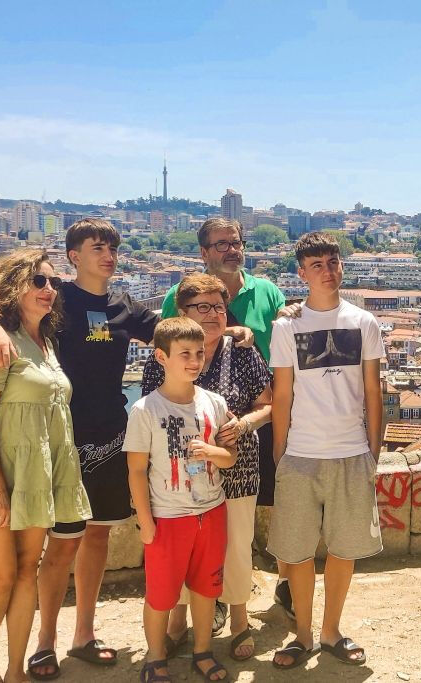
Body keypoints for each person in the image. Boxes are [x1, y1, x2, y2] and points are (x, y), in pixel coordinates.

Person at [0, 219, 255, 678]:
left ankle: (83, 635)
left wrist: (235, 329)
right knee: (57, 549)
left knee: (96, 538)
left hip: (108, 441)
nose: (108, 255)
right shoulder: (53, 297)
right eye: (97, 247)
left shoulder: (124, 306)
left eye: (113, 248)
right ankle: (45, 642)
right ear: (73, 256)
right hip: (58, 442)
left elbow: (178, 331)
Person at [0, 249, 92, 683]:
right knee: (1, 575)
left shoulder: (47, 344)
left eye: (51, 283)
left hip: (37, 474)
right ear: (14, 286)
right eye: (37, 281)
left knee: (28, 570)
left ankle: (16, 670)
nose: (48, 290)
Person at [159, 217, 293, 619]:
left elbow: (288, 336)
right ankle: (212, 598)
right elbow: (169, 343)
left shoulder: (267, 291)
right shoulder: (176, 296)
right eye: (221, 244)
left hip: (262, 415)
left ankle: (285, 586)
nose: (231, 250)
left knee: (277, 500)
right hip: (200, 428)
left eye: (236, 243)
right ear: (203, 252)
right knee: (207, 516)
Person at [267, 231, 384, 670]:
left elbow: (374, 390)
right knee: (295, 551)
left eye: (332, 262)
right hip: (300, 453)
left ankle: (331, 631)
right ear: (302, 274)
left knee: (343, 548)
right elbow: (282, 394)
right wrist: (280, 454)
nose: (328, 270)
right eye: (317, 264)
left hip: (351, 452)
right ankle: (301, 634)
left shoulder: (364, 322)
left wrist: (373, 451)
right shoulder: (286, 326)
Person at [142, 274, 272, 660]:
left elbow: (269, 403)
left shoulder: (244, 351)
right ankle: (178, 622)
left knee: (236, 547)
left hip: (238, 466)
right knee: (184, 549)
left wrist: (245, 423)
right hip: (180, 476)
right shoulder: (162, 355)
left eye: (219, 306)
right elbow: (152, 407)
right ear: (183, 312)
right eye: (204, 307)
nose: (214, 314)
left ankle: (239, 620)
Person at [125, 317, 237, 683]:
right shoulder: (145, 410)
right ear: (161, 357)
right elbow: (136, 471)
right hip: (168, 517)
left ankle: (202, 651)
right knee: (161, 596)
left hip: (211, 511)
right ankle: (155, 658)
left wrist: (211, 452)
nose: (194, 361)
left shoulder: (214, 403)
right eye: (184, 353)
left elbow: (230, 458)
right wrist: (145, 521)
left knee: (207, 590)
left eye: (199, 353)